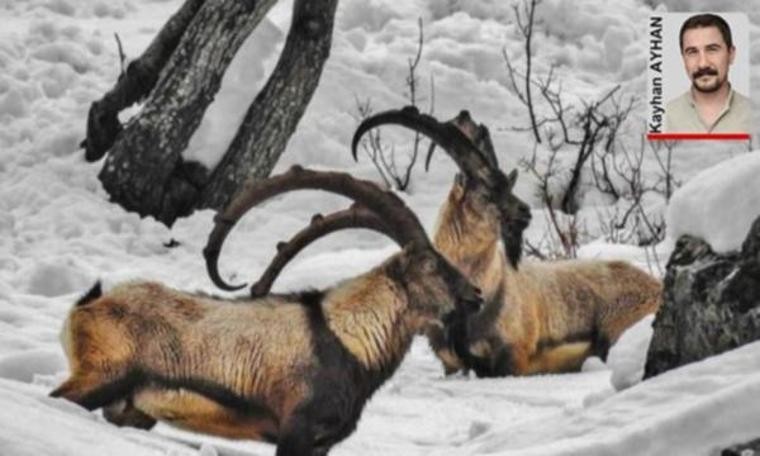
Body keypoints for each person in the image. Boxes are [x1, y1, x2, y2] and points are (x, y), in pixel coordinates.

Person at [665, 13, 750, 133]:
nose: (703, 64)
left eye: (712, 49)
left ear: (731, 54)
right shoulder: (665, 116)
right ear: (683, 59)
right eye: (692, 52)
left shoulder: (753, 114)